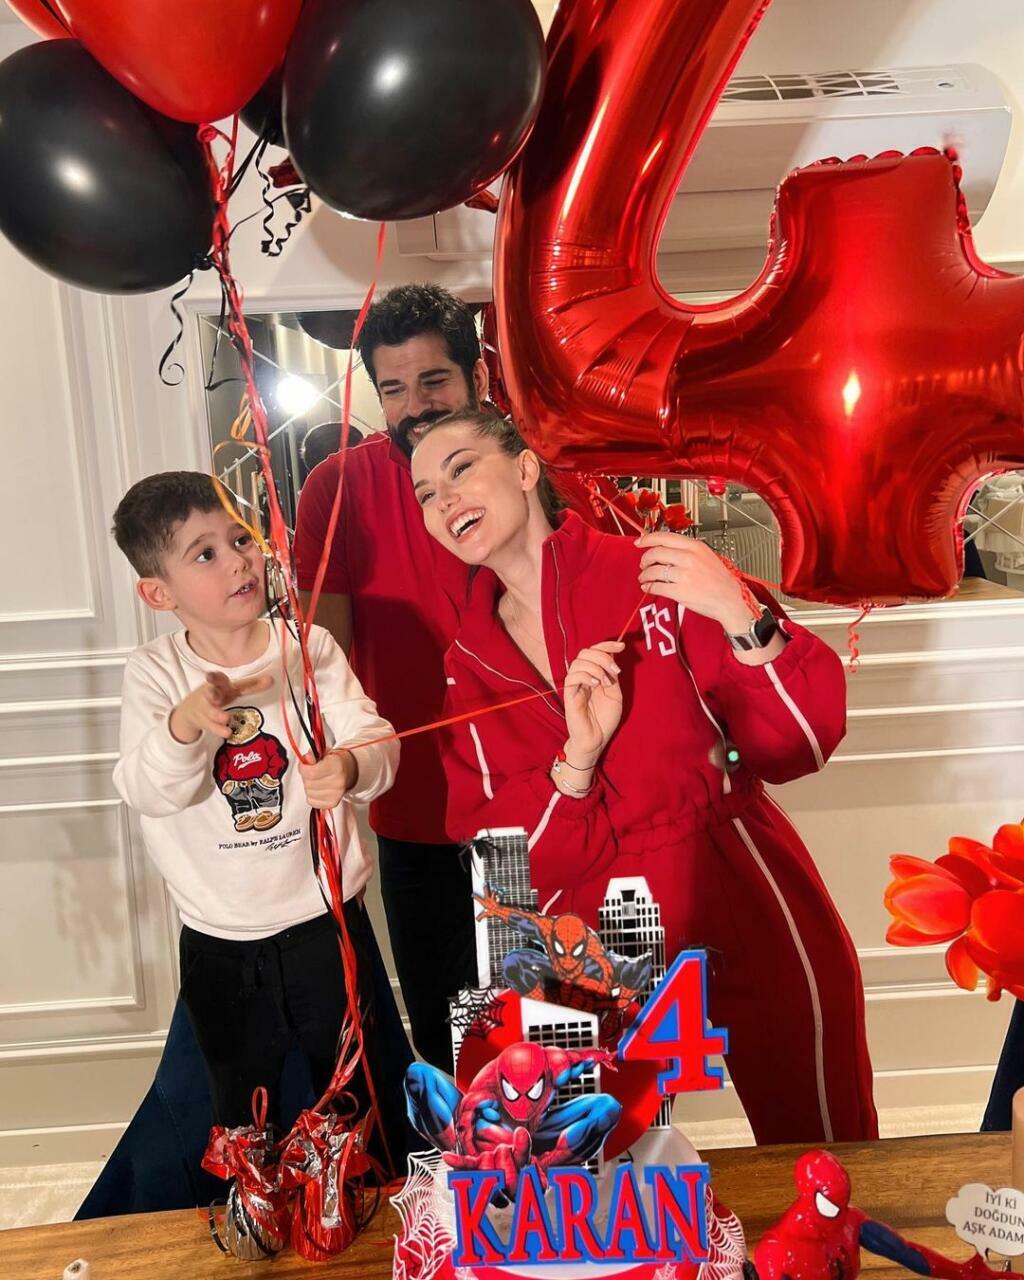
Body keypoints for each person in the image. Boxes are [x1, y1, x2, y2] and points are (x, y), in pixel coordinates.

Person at [410, 409, 878, 1146]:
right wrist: (577, 761)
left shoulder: (657, 571)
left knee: (823, 1148)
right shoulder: (466, 669)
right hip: (590, 939)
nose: (444, 500)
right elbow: (511, 865)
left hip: (739, 885)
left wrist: (739, 614)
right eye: (424, 494)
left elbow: (800, 745)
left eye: (460, 468)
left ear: (526, 468)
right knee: (591, 1179)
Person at [110, 470, 411, 1163]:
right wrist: (185, 726)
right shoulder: (154, 674)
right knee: (241, 1105)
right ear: (159, 594)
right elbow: (148, 789)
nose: (239, 560)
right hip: (221, 939)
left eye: (241, 538)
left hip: (329, 924)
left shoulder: (309, 647)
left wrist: (351, 767)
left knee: (354, 1094)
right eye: (205, 553)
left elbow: (374, 736)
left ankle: (352, 1199)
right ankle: (254, 1201)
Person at [293, 284, 486, 1072]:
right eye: (394, 388)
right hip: (414, 807)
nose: (415, 406)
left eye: (434, 381)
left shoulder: (531, 469)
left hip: (539, 801)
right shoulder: (335, 488)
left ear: (477, 376)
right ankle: (460, 1154)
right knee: (444, 1030)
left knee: (551, 1025)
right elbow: (324, 658)